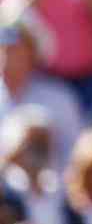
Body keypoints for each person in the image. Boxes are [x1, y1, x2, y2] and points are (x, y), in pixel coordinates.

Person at [0, 13, 83, 172]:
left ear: (31, 53)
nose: (5, 57)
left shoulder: (60, 99)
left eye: (13, 50)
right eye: (1, 49)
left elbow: (76, 160)